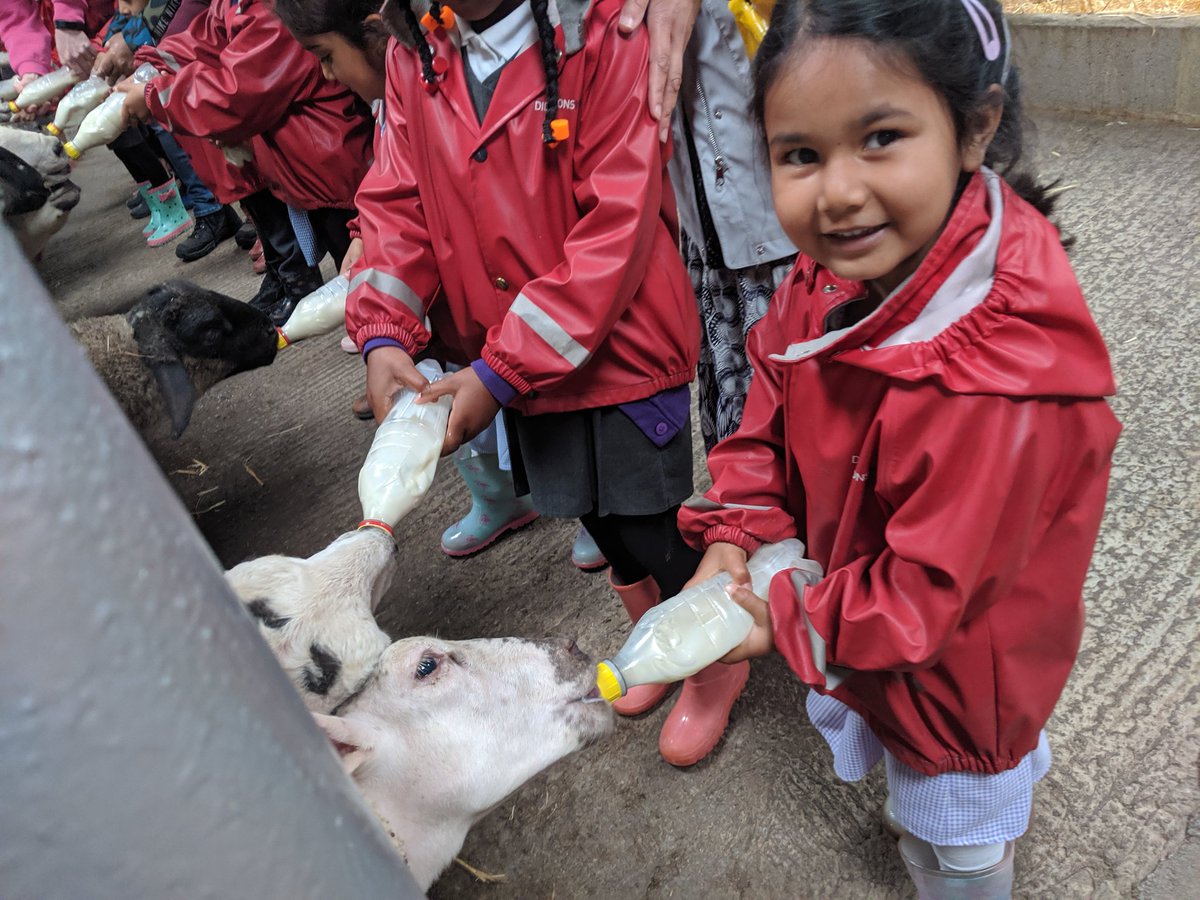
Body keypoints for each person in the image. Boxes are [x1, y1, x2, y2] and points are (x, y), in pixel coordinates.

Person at [678, 0, 1121, 892]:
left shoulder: (995, 381)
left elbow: (927, 596)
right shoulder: (833, 270)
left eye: (879, 137)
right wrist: (736, 526)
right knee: (917, 795)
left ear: (974, 128)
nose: (836, 190)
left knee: (954, 839)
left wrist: (782, 617)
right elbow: (771, 396)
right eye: (799, 154)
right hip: (870, 629)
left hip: (956, 673)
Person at [345, 0, 729, 760]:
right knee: (592, 520)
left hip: (620, 348)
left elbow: (616, 226)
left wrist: (500, 367)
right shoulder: (414, 55)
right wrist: (383, 331)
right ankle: (651, 635)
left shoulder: (607, 32)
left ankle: (709, 654)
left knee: (649, 524)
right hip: (519, 363)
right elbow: (398, 203)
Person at [119, 0, 374, 324]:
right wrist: (157, 65)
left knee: (355, 248)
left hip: (332, 159)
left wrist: (158, 96)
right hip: (309, 159)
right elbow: (206, 36)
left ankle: (381, 323)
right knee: (345, 253)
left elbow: (238, 94)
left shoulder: (276, 9)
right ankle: (361, 315)